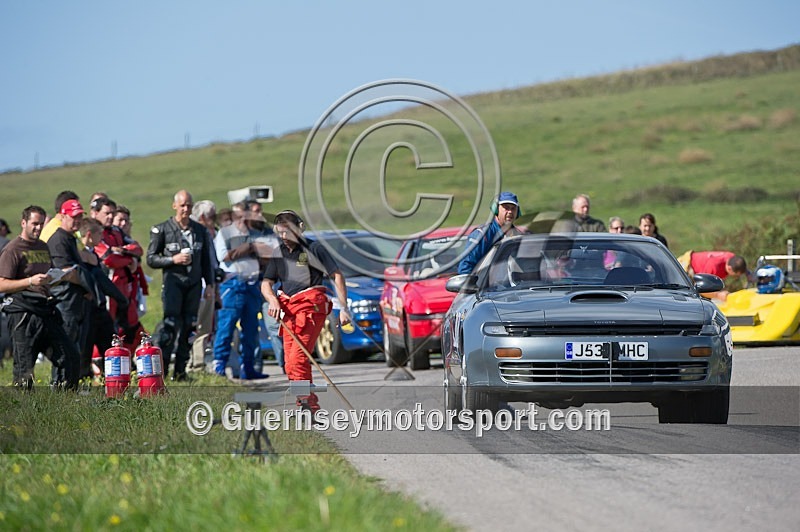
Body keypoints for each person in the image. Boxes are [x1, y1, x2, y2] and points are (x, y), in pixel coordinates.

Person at [261, 210, 351, 413]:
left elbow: (336, 275)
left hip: (309, 308)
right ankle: (307, 404)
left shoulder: (314, 248)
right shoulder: (278, 252)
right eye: (280, 232)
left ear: (299, 228)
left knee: (298, 358)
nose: (284, 237)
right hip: (287, 310)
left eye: (287, 232)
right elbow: (266, 283)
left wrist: (343, 308)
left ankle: (306, 403)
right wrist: (273, 300)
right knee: (290, 362)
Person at [0, 205, 82, 390]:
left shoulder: (43, 246)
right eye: (34, 224)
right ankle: (24, 410)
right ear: (23, 223)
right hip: (22, 312)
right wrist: (29, 281)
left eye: (41, 224)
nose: (38, 228)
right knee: (24, 367)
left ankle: (65, 399)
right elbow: (2, 284)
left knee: (69, 355)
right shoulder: (12, 249)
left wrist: (59, 277)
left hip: (45, 308)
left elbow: (44, 278)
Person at [146, 190, 214, 381]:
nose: (186, 209)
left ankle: (181, 371)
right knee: (171, 325)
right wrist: (172, 259)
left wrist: (209, 285)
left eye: (189, 205)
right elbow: (151, 259)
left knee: (189, 325)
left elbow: (206, 261)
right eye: (182, 205)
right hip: (173, 284)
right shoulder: (163, 230)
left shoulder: (199, 231)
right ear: (174, 206)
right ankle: (164, 369)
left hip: (193, 285)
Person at [212, 202, 269, 379]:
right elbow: (225, 256)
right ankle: (219, 365)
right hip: (233, 284)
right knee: (226, 326)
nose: (242, 219)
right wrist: (250, 248)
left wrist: (253, 249)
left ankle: (248, 367)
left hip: (252, 283)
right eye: (238, 216)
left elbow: (267, 254)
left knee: (251, 329)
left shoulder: (254, 234)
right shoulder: (225, 233)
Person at [47, 199, 92, 382]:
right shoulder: (58, 239)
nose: (77, 220)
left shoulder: (71, 237)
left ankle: (70, 386)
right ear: (63, 216)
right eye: (74, 217)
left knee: (74, 348)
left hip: (75, 301)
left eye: (80, 216)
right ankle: (59, 386)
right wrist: (88, 286)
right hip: (64, 302)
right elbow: (65, 273)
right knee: (64, 347)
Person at [458, 191, 524, 275]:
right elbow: (465, 268)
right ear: (496, 209)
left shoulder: (519, 236)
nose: (510, 212)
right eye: (506, 208)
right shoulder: (482, 234)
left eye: (513, 208)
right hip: (484, 287)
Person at [677, 250, 752, 302]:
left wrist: (748, 273)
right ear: (729, 269)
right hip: (684, 267)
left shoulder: (731, 257)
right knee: (699, 298)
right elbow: (701, 289)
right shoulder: (713, 269)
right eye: (735, 275)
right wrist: (718, 295)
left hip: (696, 262)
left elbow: (739, 264)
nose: (736, 277)